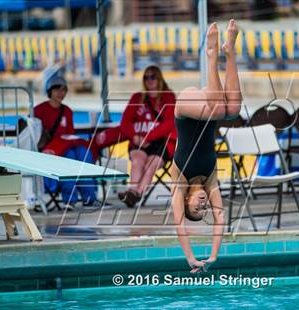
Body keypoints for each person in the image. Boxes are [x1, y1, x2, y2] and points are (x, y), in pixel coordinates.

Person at [171, 20, 242, 273]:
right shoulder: (210, 182)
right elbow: (220, 217)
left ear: (187, 200)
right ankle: (230, 51)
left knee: (219, 110)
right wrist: (213, 256)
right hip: (206, 105)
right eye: (204, 209)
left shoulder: (179, 183)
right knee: (232, 111)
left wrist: (190, 257)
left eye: (195, 209)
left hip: (185, 108)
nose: (202, 206)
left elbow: (180, 224)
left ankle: (211, 54)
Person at [94, 65, 177, 208]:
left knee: (150, 167)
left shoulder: (168, 97)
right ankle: (133, 192)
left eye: (152, 77)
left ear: (159, 79)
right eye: (146, 77)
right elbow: (125, 122)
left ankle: (135, 193)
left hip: (162, 142)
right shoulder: (137, 97)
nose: (149, 80)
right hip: (138, 141)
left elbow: (169, 124)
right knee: (138, 162)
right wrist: (135, 137)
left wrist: (148, 138)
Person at [34, 75, 100, 210]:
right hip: (50, 150)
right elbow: (33, 134)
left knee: (84, 153)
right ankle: (69, 198)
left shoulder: (67, 111)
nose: (60, 93)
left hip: (66, 145)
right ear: (50, 91)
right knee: (70, 157)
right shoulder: (39, 110)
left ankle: (89, 197)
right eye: (57, 89)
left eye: (63, 90)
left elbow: (70, 134)